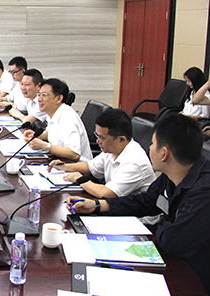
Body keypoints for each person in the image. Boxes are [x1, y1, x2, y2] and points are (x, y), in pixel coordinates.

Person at [66, 114, 210, 294]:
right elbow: (145, 201)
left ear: (164, 153)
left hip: (193, 277)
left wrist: (160, 227)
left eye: (153, 144)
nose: (149, 148)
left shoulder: (204, 191)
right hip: (168, 258)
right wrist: (98, 205)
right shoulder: (172, 174)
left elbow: (172, 242)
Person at [48, 108, 155, 198]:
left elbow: (106, 193)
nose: (97, 141)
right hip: (116, 206)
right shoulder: (113, 148)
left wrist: (78, 178)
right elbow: (91, 167)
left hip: (134, 215)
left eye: (102, 138)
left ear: (121, 139)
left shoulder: (135, 162)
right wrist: (65, 167)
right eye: (97, 135)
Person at [23, 78, 92, 161]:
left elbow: (74, 154)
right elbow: (52, 133)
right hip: (58, 161)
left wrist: (44, 146)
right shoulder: (53, 112)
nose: (39, 99)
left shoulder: (68, 117)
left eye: (44, 95)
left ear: (59, 98)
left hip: (74, 166)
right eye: (39, 95)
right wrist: (37, 135)